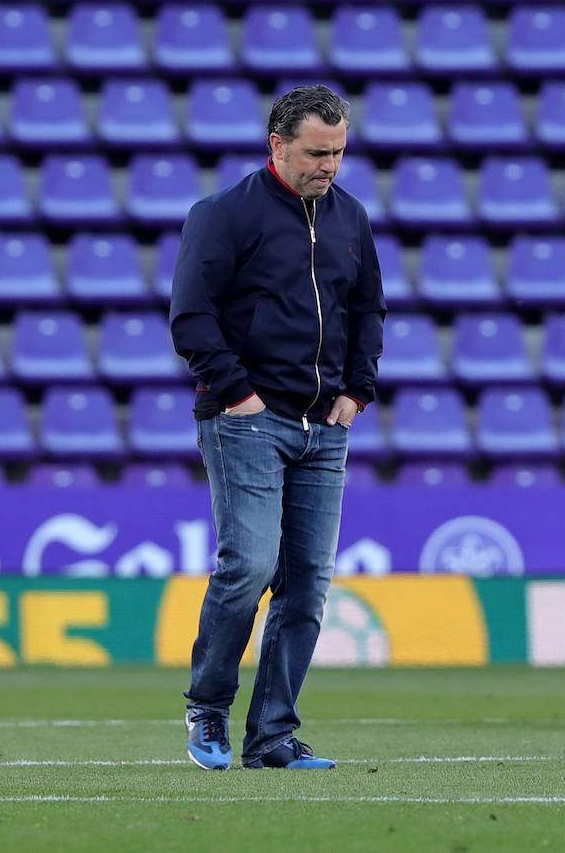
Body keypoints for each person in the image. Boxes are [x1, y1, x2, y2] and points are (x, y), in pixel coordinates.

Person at [171, 85, 386, 769]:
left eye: (339, 152)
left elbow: (369, 308)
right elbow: (191, 316)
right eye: (317, 153)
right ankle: (208, 703)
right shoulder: (224, 215)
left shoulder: (350, 217)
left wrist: (358, 388)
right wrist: (240, 395)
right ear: (277, 145)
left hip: (324, 428)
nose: (330, 166)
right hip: (247, 421)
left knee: (307, 585)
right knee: (249, 567)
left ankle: (271, 736)